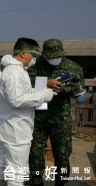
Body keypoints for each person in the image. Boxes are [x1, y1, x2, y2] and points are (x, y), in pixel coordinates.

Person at [0, 38, 57, 186]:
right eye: (33, 54)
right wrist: (41, 96)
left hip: (11, 125)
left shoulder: (17, 70)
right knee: (17, 169)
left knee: (3, 159)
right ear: (22, 53)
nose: (34, 58)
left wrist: (42, 92)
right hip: (16, 128)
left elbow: (24, 93)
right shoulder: (14, 72)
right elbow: (16, 100)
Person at [25, 39, 85, 186]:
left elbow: (78, 88)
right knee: (36, 152)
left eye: (58, 55)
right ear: (44, 54)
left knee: (62, 153)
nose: (55, 59)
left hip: (61, 117)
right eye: (51, 56)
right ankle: (36, 180)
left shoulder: (73, 67)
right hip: (40, 116)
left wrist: (66, 89)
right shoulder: (36, 64)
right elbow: (26, 81)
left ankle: (61, 182)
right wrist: (46, 82)